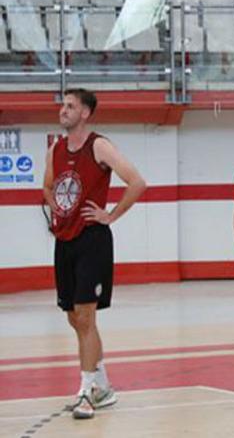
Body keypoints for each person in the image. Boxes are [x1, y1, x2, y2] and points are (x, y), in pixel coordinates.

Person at [44, 88, 147, 420]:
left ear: (85, 113)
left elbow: (137, 182)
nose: (63, 110)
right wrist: (58, 208)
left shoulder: (99, 146)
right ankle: (102, 385)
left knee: (86, 317)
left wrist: (111, 215)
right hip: (65, 240)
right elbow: (48, 186)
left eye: (70, 106)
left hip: (92, 240)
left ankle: (87, 391)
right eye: (63, 105)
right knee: (75, 317)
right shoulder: (56, 149)